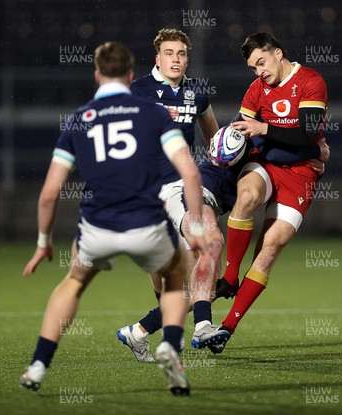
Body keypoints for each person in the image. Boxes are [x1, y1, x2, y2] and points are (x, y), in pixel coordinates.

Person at [18, 41, 208, 396]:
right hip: (147, 224)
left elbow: (48, 193)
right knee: (178, 275)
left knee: (72, 283)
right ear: (131, 75)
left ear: (97, 75)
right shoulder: (153, 114)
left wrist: (43, 242)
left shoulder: (79, 118)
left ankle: (39, 364)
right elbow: (191, 175)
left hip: (97, 227)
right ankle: (170, 345)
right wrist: (195, 228)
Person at [210, 32, 331, 352]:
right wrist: (222, 148)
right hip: (264, 164)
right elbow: (238, 134)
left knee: (269, 250)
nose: (259, 71)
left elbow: (306, 136)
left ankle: (227, 327)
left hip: (301, 176)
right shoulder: (255, 91)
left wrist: (265, 130)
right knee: (246, 197)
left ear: (278, 53)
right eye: (253, 68)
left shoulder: (310, 81)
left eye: (261, 62)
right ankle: (231, 275)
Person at [116, 28, 225, 361]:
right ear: (157, 58)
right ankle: (201, 327)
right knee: (205, 250)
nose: (175, 59)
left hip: (181, 187)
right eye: (169, 53)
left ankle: (140, 332)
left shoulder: (196, 92)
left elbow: (214, 138)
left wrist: (223, 165)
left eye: (181, 54)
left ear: (187, 59)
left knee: (198, 271)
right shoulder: (138, 91)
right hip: (154, 192)